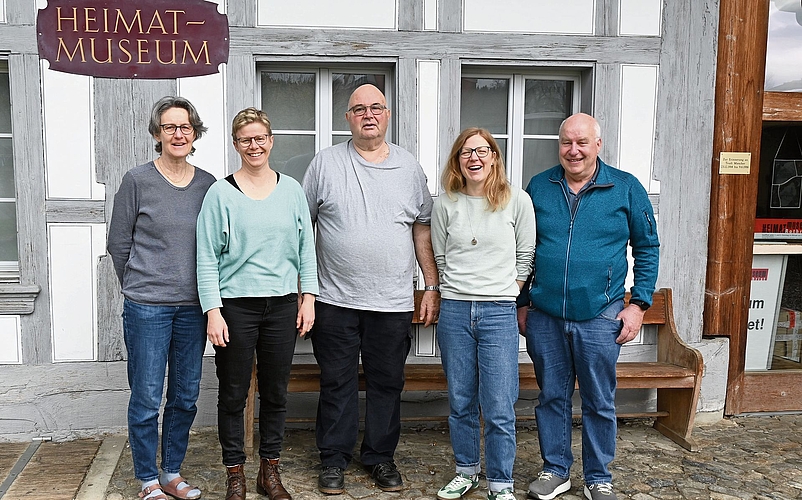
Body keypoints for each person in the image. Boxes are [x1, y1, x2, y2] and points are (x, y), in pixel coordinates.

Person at [302, 83, 440, 495]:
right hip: (334, 299)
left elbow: (421, 229)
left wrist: (431, 284)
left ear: (388, 114)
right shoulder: (324, 164)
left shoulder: (409, 167)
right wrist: (305, 290)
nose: (368, 115)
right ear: (347, 118)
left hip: (392, 302)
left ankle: (380, 458)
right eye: (358, 109)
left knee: (387, 383)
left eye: (375, 107)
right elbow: (301, 229)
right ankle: (334, 460)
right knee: (337, 382)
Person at [518, 113, 660, 500]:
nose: (574, 150)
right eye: (567, 142)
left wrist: (639, 304)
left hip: (600, 314)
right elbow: (525, 248)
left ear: (598, 145)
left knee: (599, 399)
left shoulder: (625, 187)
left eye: (582, 142)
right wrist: (523, 301)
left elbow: (647, 247)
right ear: (559, 145)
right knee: (551, 396)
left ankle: (599, 476)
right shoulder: (539, 187)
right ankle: (555, 470)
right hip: (546, 315)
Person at [196, 107, 318, 500]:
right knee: (233, 392)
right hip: (235, 307)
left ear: (271, 141)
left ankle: (270, 469)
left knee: (276, 391)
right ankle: (235, 472)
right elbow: (206, 256)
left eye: (260, 138)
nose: (254, 145)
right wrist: (212, 311)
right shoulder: (221, 193)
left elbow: (306, 250)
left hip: (282, 304)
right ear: (236, 145)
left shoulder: (292, 190)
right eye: (246, 139)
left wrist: (309, 298)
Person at [107, 96, 215, 500]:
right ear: (157, 134)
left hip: (193, 307)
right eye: (169, 127)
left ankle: (171, 472)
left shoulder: (208, 184)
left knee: (185, 395)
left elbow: (214, 245)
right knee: (148, 396)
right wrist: (138, 285)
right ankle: (147, 480)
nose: (178, 134)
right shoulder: (138, 180)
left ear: (195, 133)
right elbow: (119, 243)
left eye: (185, 127)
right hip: (147, 307)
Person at [432, 128, 535, 500]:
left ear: (494, 156)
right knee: (460, 399)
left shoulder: (516, 200)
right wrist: (456, 288)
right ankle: (466, 471)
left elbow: (526, 255)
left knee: (498, 403)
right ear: (457, 160)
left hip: (498, 313)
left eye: (482, 150)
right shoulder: (445, 203)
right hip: (456, 311)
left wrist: (509, 289)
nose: (474, 158)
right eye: (465, 152)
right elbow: (441, 255)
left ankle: (501, 481)